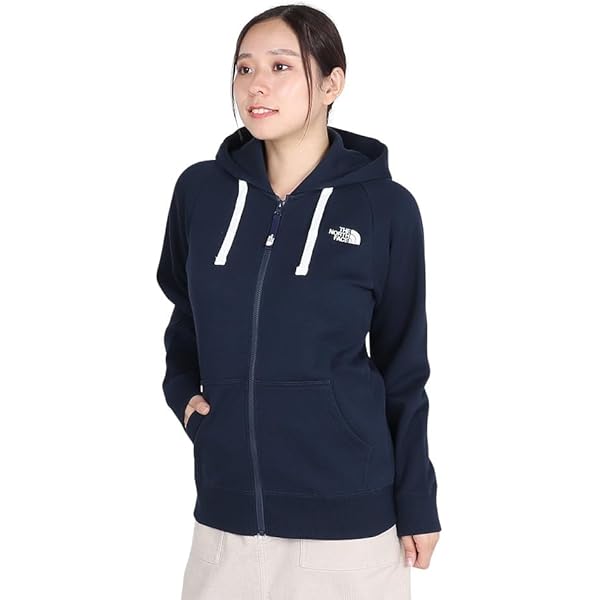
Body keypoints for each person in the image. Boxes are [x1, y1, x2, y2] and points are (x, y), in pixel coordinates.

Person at [156, 4, 441, 599]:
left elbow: (404, 364)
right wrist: (184, 397)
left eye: (281, 66)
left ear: (332, 83)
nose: (256, 85)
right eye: (244, 68)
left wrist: (417, 499)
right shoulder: (200, 193)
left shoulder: (386, 208)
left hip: (348, 529)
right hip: (225, 524)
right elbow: (184, 315)